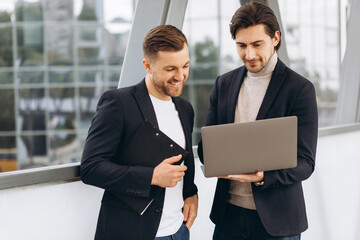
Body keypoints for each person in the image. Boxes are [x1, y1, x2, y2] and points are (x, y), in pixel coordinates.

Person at [198, 1, 318, 239]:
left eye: (256, 44)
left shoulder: (299, 89)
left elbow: (305, 162)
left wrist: (264, 177)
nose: (249, 54)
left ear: (275, 38)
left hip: (277, 222)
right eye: (241, 45)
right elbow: (206, 148)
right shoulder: (223, 84)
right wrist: (214, 160)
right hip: (228, 216)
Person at [81, 25, 198, 240]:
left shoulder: (185, 109)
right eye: (170, 69)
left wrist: (191, 193)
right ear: (147, 65)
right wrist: (151, 176)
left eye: (185, 66)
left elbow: (183, 161)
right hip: (132, 232)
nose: (180, 76)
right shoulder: (118, 103)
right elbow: (90, 168)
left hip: (178, 232)